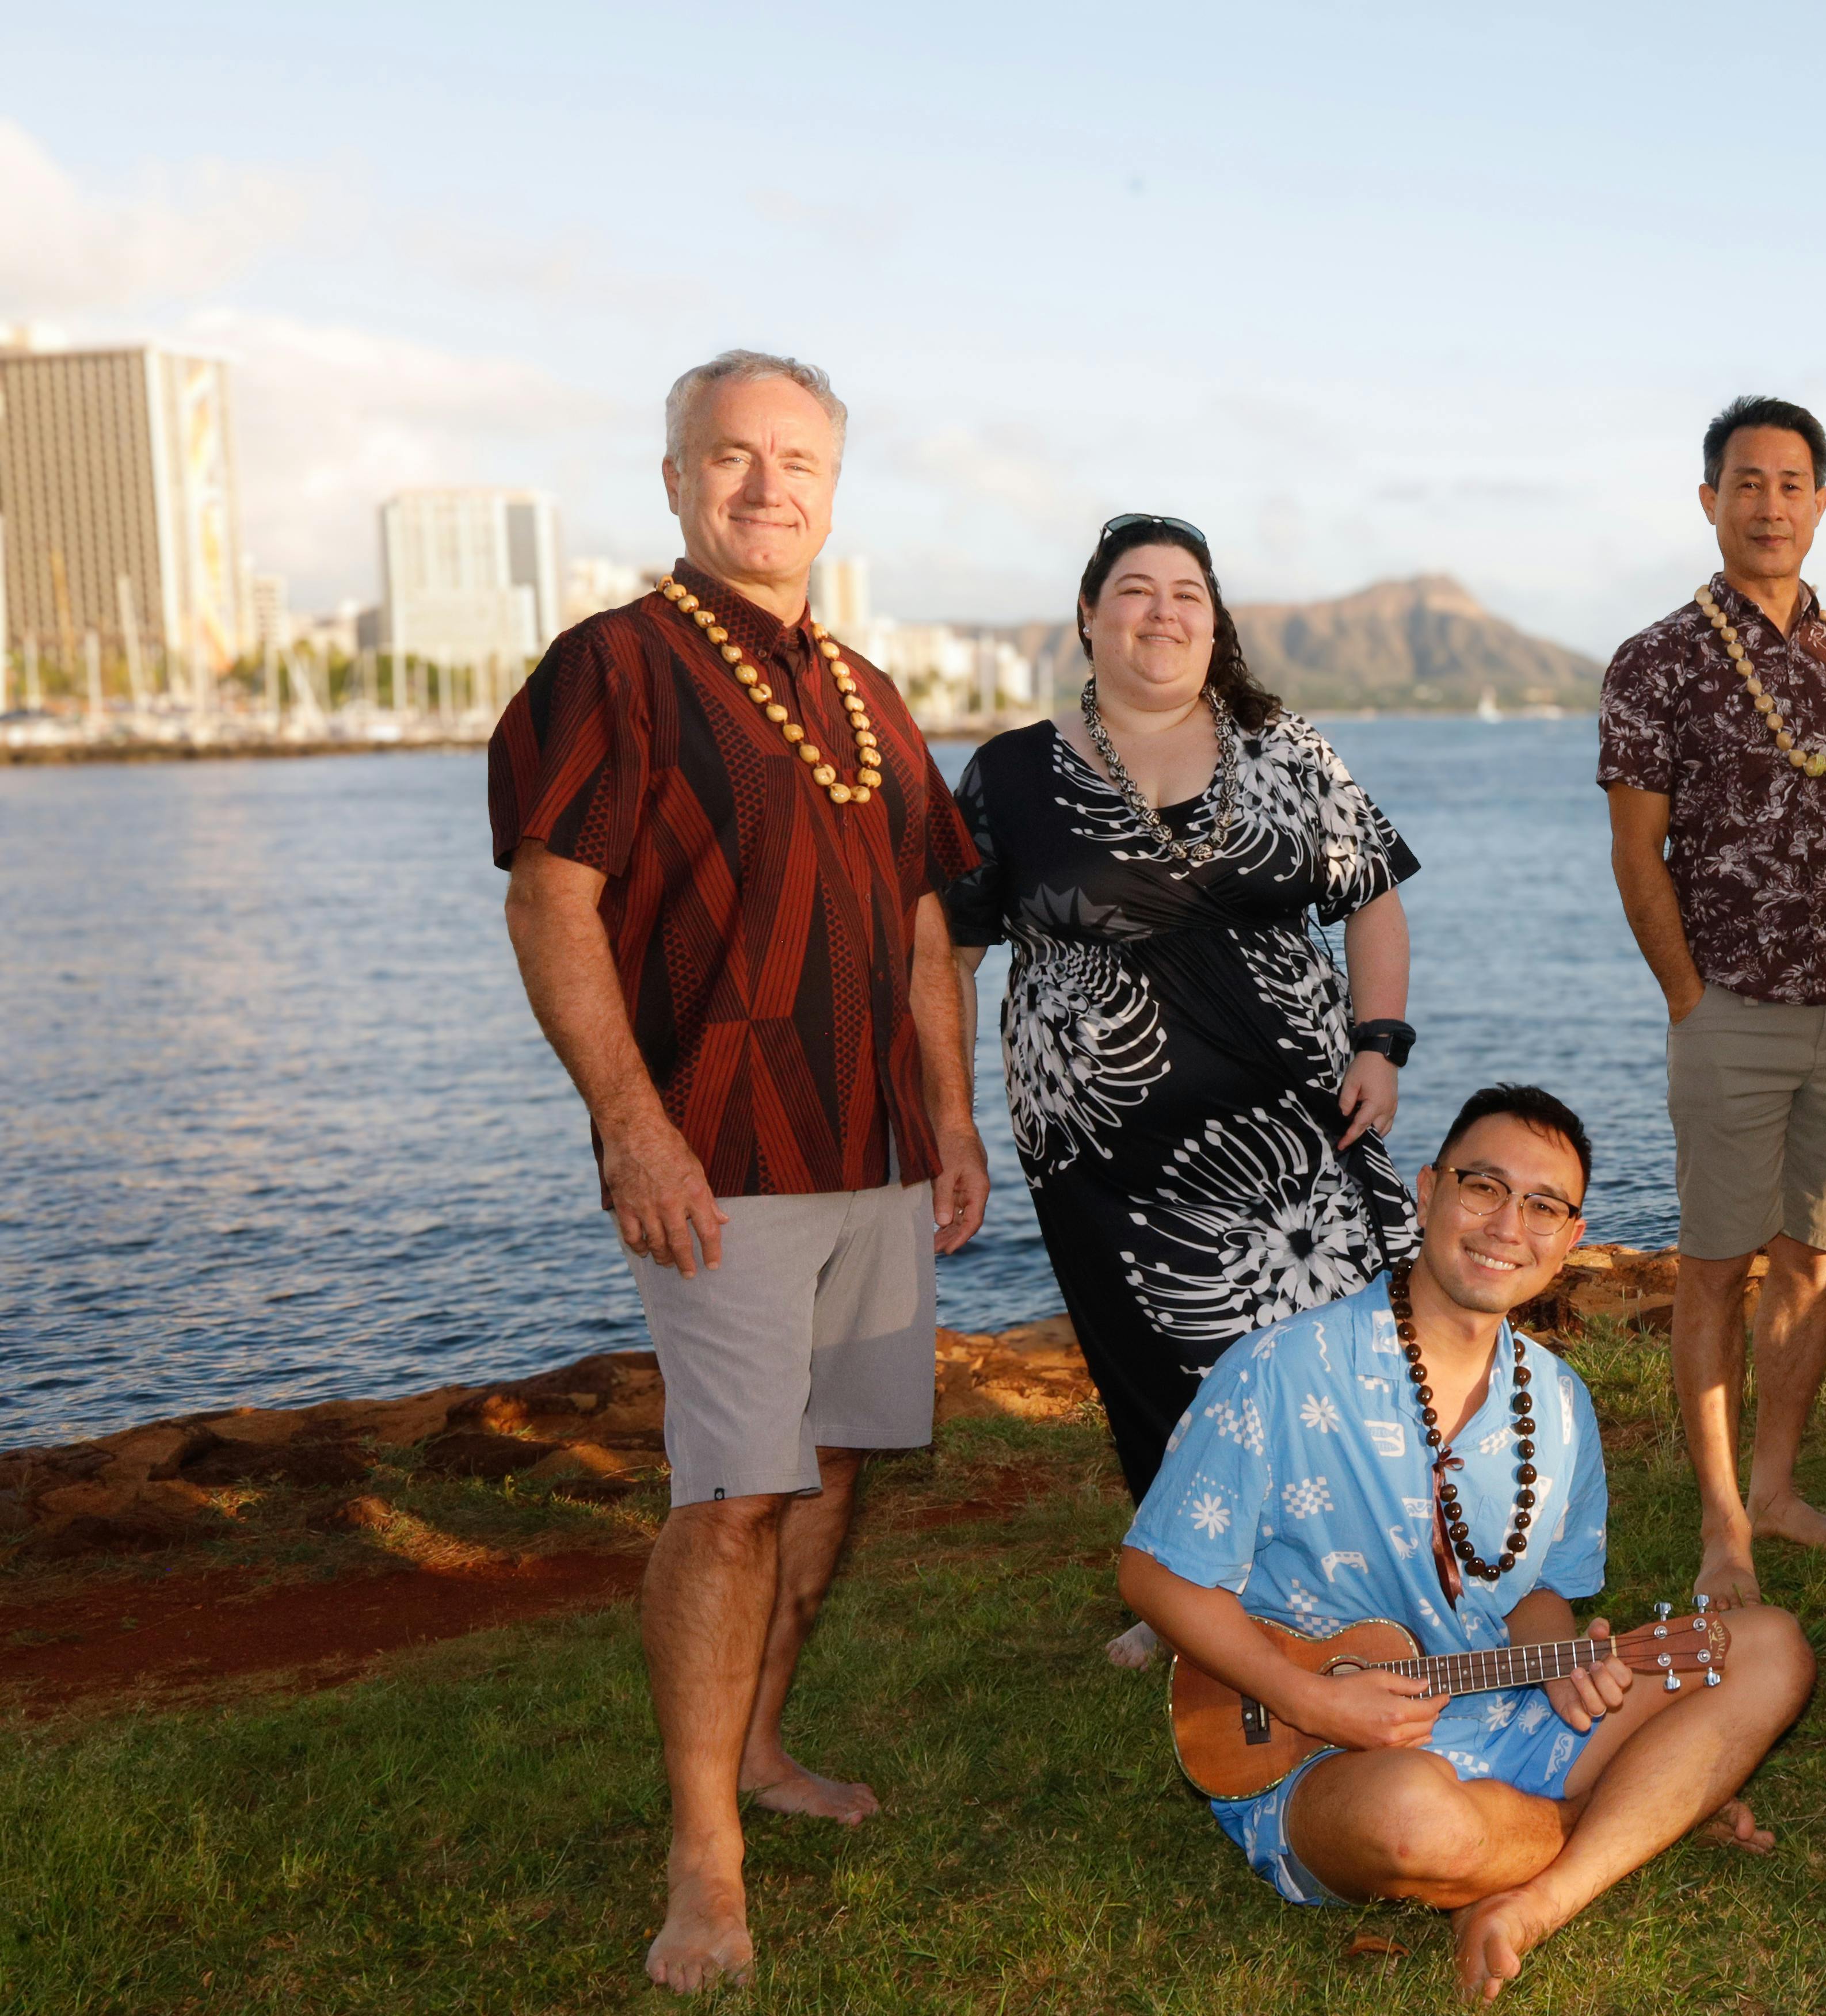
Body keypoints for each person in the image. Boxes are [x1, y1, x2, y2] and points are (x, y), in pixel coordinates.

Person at [490, 349, 988, 1992]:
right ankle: (705, 1865)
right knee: (731, 1499)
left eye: (799, 463)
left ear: (834, 491)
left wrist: (956, 1123)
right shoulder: (612, 669)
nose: (767, 487)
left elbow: (927, 924)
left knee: (835, 1466)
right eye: (733, 456)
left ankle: (763, 1747)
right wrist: (631, 1127)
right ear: (678, 479)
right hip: (722, 1158)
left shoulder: (866, 692)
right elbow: (553, 904)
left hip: (878, 1158)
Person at [1119, 1085, 1814, 2003]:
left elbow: (1540, 1592)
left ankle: (1535, 1898)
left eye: (1542, 1207)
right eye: (1483, 1187)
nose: (1506, 1226)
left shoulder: (1559, 1404)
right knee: (1411, 1824)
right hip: (1320, 1752)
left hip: (1506, 1716)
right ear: (1427, 1191)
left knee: (1769, 1648)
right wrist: (1313, 1704)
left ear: (1571, 1239)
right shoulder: (1284, 1370)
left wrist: (1552, 1657)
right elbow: (1153, 1573)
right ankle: (1634, 1813)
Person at [941, 513, 1417, 1666]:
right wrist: (947, 1116)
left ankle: (1342, 1579)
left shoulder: (1287, 747)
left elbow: (1373, 898)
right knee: (1155, 1359)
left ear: (1214, 622)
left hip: (1297, 1115)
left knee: (1324, 1346)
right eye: (1136, 591)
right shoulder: (1009, 772)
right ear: (1090, 620)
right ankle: (1186, 1595)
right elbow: (950, 952)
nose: (1161, 612)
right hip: (1097, 1135)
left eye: (1186, 593)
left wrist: (1380, 1043)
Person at [1600, 395, 1826, 1599]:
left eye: (1793, 484)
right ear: (1710, 500)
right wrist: (1687, 994)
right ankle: (1724, 1525)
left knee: (1815, 1260)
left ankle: (1782, 1486)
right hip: (1728, 1006)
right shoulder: (1656, 662)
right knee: (1714, 1264)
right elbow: (1639, 857)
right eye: (1748, 482)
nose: (1771, 504)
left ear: (1821, 504)